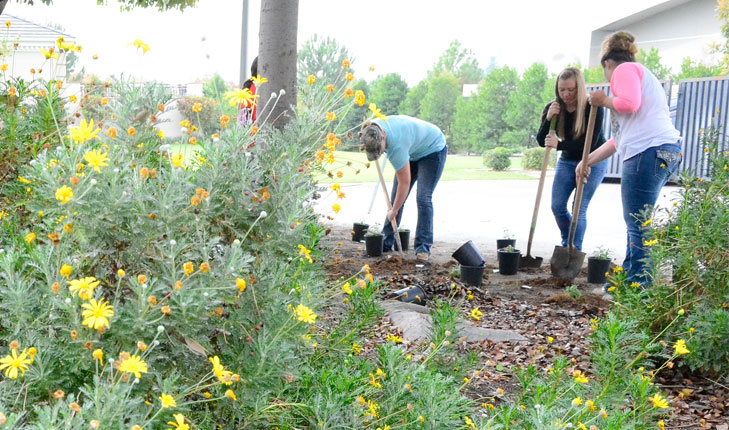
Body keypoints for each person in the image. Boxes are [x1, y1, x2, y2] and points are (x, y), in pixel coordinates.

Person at [576, 31, 681, 287]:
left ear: (607, 65)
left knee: (637, 223)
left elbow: (629, 104)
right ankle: (631, 278)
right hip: (666, 151)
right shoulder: (643, 75)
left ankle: (640, 286)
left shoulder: (623, 71)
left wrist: (604, 100)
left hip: (646, 153)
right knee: (638, 220)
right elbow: (618, 141)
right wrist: (586, 161)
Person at [536, 67, 607, 251]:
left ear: (579, 88)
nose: (566, 94)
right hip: (567, 161)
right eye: (562, 90)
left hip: (593, 159)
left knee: (578, 208)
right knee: (557, 205)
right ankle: (568, 241)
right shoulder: (555, 108)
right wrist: (548, 118)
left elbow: (590, 144)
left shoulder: (592, 108)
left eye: (571, 90)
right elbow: (541, 141)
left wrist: (559, 145)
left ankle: (573, 249)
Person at [360, 115, 448, 261]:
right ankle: (386, 242)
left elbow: (404, 183)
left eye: (379, 150)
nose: (379, 154)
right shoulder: (371, 128)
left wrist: (394, 210)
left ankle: (423, 248)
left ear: (383, 137)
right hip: (413, 150)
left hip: (433, 149)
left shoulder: (396, 145)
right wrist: (394, 208)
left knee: (423, 198)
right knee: (396, 199)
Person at [238, 56, 258, 126]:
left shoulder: (249, 88)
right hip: (255, 134)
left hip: (251, 134)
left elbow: (243, 122)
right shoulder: (254, 89)